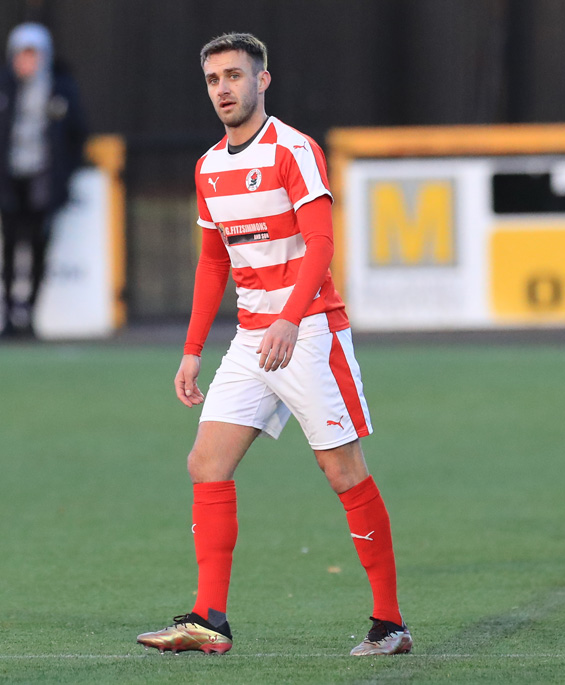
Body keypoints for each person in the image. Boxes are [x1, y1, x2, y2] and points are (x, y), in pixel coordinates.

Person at [136, 33, 411, 657]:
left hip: (310, 329)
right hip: (252, 337)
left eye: (234, 75)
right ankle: (210, 620)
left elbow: (320, 244)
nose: (223, 89)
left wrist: (289, 317)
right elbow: (212, 266)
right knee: (205, 464)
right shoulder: (209, 166)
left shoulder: (295, 150)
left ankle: (390, 625)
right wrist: (191, 349)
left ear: (263, 80)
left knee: (342, 471)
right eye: (213, 79)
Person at [0, 22, 86, 338]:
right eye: (21, 54)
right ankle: (8, 315)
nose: (27, 62)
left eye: (33, 54)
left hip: (43, 181)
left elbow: (77, 133)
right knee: (10, 247)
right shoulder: (6, 87)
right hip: (10, 180)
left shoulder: (60, 86)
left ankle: (30, 316)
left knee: (38, 246)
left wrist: (64, 174)